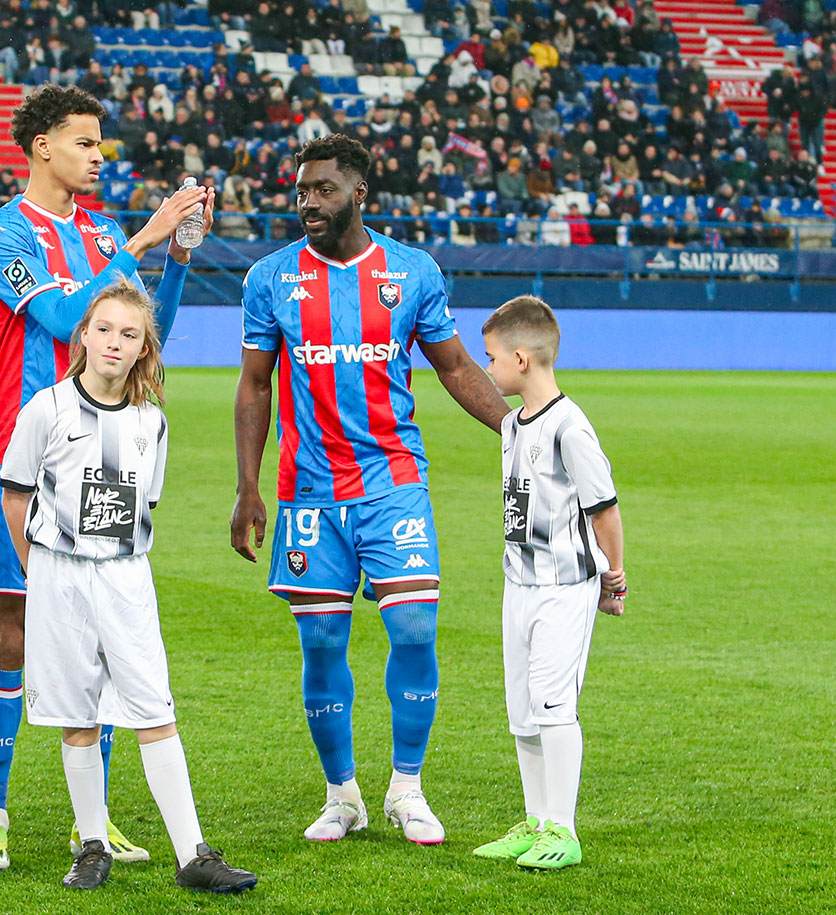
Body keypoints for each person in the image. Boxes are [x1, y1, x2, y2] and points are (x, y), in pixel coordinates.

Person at [231, 134, 509, 844]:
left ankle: (407, 789)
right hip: (307, 494)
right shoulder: (270, 277)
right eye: (300, 192)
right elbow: (255, 384)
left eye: (322, 190)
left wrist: (518, 430)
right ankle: (343, 794)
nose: (308, 203)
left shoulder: (411, 272)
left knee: (414, 626)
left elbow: (454, 368)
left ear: (359, 193)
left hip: (392, 482)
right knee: (322, 642)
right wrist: (247, 487)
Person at [0, 84, 212, 870]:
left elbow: (153, 329)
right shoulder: (4, 234)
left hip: (105, 461)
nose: (98, 155)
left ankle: (93, 826)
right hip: (31, 455)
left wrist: (173, 258)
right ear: (41, 144)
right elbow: (59, 319)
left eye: (100, 143)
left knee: (106, 648)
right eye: (84, 142)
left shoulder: (104, 231)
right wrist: (142, 240)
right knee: (12, 630)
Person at [0, 283, 256, 893]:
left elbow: (148, 501)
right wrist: (35, 570)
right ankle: (92, 844)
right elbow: (15, 493)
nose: (115, 342)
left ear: (144, 349)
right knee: (76, 716)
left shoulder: (151, 422)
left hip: (125, 576)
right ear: (83, 334)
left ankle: (192, 853)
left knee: (153, 708)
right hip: (59, 574)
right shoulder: (47, 408)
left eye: (130, 334)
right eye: (106, 329)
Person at [472, 296, 625, 870]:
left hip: (565, 586)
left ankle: (563, 829)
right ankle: (535, 821)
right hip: (520, 585)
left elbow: (605, 508)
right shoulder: (513, 424)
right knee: (522, 712)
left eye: (491, 358)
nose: (487, 368)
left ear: (521, 358)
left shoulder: (570, 427)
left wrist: (613, 577)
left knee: (554, 707)